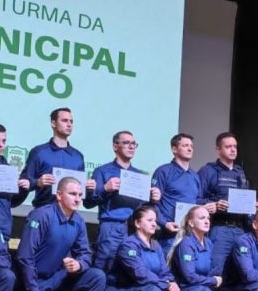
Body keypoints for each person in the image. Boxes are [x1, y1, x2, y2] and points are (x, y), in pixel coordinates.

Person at [14, 177, 105, 291]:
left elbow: (85, 253)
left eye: (80, 195)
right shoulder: (42, 215)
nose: (77, 199)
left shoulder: (78, 221)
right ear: (59, 195)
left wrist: (79, 265)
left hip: (56, 278)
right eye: (72, 194)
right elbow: (25, 257)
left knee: (96, 276)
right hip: (32, 282)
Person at [84, 130, 160, 271]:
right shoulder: (102, 171)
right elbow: (88, 203)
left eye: (133, 144)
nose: (131, 147)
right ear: (115, 146)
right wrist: (105, 188)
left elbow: (142, 208)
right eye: (126, 143)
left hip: (134, 230)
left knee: (132, 269)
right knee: (104, 268)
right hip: (111, 227)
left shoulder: (140, 176)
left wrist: (153, 200)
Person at [198, 132, 256, 273]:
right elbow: (197, 200)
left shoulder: (240, 172)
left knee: (241, 272)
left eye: (235, 146)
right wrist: (216, 205)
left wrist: (253, 205)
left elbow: (245, 198)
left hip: (241, 229)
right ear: (218, 149)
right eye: (228, 146)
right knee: (217, 269)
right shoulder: (208, 170)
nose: (233, 150)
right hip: (220, 228)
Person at [20, 108, 94, 208]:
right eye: (64, 120)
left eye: (71, 121)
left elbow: (80, 192)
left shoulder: (78, 157)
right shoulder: (39, 152)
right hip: (44, 210)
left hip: (69, 213)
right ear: (53, 123)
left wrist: (89, 189)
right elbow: (24, 182)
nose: (69, 124)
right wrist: (37, 182)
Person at [152, 133, 210, 254]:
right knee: (167, 270)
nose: (190, 149)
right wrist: (164, 223)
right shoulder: (163, 171)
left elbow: (197, 201)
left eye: (191, 146)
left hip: (189, 234)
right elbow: (153, 203)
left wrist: (208, 206)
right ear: (174, 149)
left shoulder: (194, 176)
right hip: (169, 234)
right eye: (185, 145)